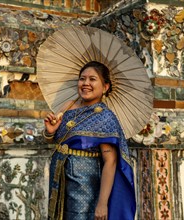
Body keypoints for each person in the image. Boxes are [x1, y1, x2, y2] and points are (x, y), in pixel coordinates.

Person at [43, 61, 136, 220]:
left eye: (92, 79)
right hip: (60, 179)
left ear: (105, 87)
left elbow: (110, 162)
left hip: (85, 184)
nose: (85, 83)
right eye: (82, 79)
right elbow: (57, 141)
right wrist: (49, 132)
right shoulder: (69, 106)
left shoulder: (105, 117)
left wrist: (102, 203)